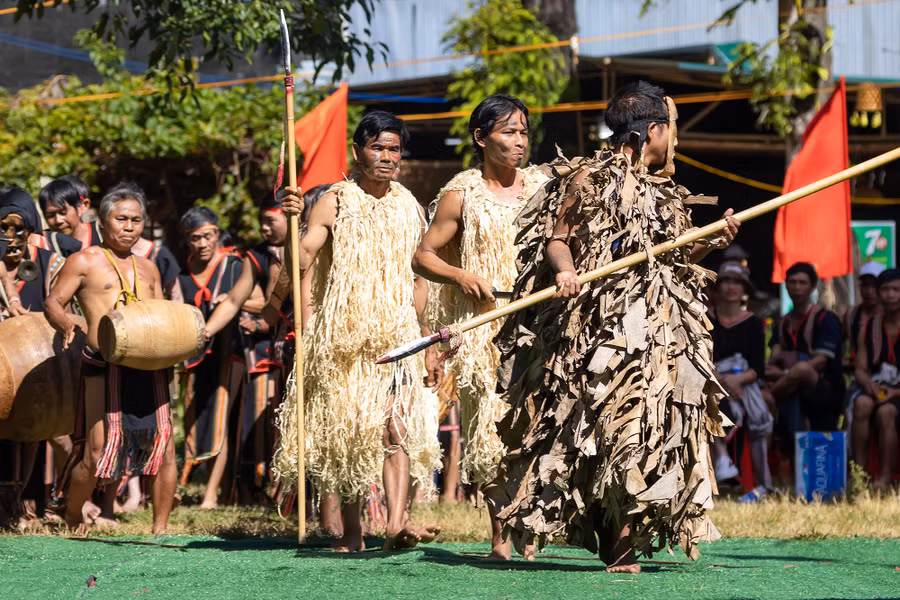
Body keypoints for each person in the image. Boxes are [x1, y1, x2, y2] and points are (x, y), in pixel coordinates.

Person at [485, 81, 739, 573]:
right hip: (598, 326)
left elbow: (679, 258)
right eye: (671, 131)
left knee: (644, 428)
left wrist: (715, 240)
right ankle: (614, 539)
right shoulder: (586, 178)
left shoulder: (666, 191)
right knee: (602, 429)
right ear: (655, 131)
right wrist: (565, 270)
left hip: (661, 328)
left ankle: (621, 541)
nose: (674, 141)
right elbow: (557, 239)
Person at [272, 110, 442, 551]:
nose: (386, 157)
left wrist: (422, 338)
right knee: (348, 432)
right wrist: (293, 225)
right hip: (343, 337)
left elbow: (419, 278)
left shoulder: (410, 204)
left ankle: (394, 524)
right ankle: (352, 532)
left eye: (394, 149)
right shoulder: (335, 200)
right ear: (358, 151)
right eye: (377, 148)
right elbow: (303, 259)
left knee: (396, 428)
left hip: (398, 334)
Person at [412, 94, 548, 560]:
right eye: (509, 132)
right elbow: (423, 255)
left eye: (524, 132)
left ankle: (530, 532)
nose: (519, 142)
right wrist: (461, 275)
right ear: (481, 137)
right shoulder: (460, 194)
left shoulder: (543, 186)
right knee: (488, 432)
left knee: (534, 429)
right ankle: (500, 537)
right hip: (482, 328)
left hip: (537, 321)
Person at [45, 183, 176, 534]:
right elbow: (54, 301)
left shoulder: (149, 268)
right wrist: (65, 324)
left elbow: (162, 312)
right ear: (103, 222)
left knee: (164, 445)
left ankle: (160, 528)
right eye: (122, 219)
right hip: (102, 361)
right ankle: (74, 516)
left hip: (148, 363)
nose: (130, 226)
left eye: (136, 220)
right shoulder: (84, 261)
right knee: (97, 450)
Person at [0, 188, 68, 529]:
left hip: (39, 368)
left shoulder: (50, 262)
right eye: (3, 228)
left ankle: (27, 504)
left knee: (34, 435)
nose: (11, 237)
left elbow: (62, 306)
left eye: (18, 228)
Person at [177, 207, 244, 508]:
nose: (202, 244)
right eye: (195, 238)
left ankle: (211, 494)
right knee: (193, 421)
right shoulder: (184, 270)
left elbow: (255, 299)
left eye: (207, 236)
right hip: (194, 358)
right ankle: (191, 481)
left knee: (220, 424)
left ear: (217, 233)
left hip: (229, 354)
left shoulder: (233, 265)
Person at [39, 176, 182, 302]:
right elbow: (54, 302)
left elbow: (167, 304)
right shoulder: (45, 244)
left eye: (63, 212)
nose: (58, 220)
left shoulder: (146, 263)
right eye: (51, 215)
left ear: (83, 206)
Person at [709, 263, 774, 501]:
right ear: (717, 287)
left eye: (737, 282)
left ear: (744, 288)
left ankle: (759, 482)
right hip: (712, 383)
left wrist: (737, 380)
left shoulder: (753, 323)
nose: (731, 287)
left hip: (744, 384)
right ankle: (721, 462)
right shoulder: (705, 319)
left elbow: (758, 368)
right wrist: (721, 381)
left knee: (763, 414)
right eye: (726, 280)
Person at [766, 262, 845, 451]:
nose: (797, 287)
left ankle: (769, 396)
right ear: (786, 286)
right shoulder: (783, 322)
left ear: (812, 287)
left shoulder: (826, 318)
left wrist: (788, 371)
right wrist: (787, 372)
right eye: (792, 282)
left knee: (802, 369)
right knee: (786, 381)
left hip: (823, 385)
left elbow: (821, 360)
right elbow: (773, 360)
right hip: (790, 382)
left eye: (802, 282)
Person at [851, 268, 900, 489]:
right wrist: (868, 383)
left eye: (896, 290)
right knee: (861, 404)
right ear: (879, 294)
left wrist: (895, 392)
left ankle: (885, 476)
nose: (890, 295)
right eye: (886, 290)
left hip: (896, 392)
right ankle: (860, 475)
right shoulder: (868, 327)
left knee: (886, 412)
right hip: (877, 386)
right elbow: (860, 368)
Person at [844, 261, 885, 361]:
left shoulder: (891, 314)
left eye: (874, 286)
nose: (870, 291)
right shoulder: (851, 315)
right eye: (866, 286)